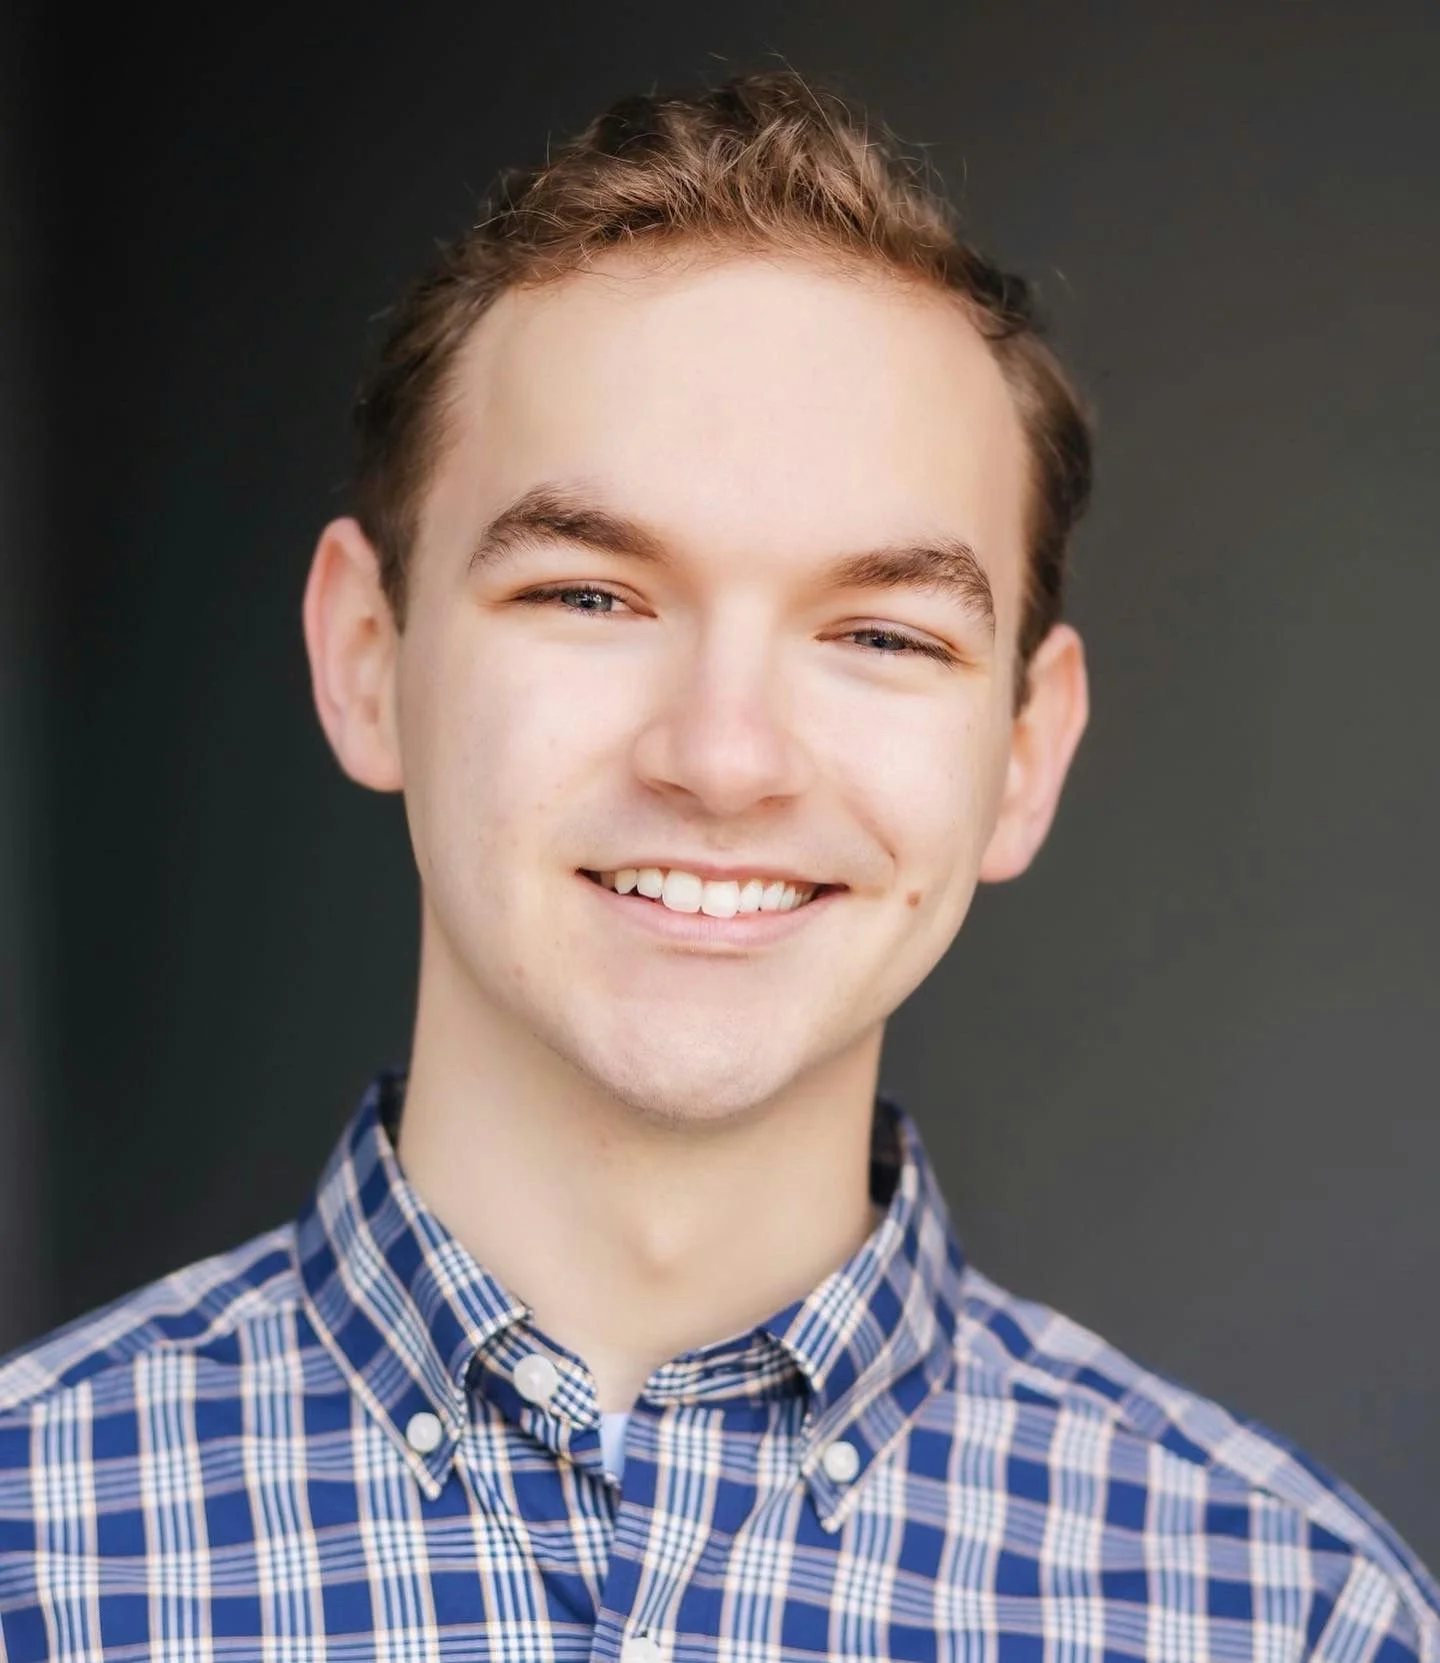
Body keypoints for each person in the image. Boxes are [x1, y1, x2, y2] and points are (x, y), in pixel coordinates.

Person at [1, 69, 1435, 1663]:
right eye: (591, 596)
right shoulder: (27, 1552)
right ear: (363, 656)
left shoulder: (1296, 1620)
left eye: (881, 632)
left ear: (1026, 755)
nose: (723, 755)